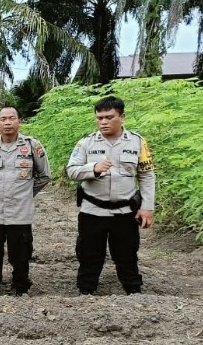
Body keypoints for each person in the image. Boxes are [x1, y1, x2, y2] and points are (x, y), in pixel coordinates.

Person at [66, 96, 155, 295]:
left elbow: (147, 175)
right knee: (89, 254)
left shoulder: (138, 142)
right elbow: (71, 170)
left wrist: (147, 207)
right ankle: (86, 291)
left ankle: (133, 290)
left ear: (122, 117)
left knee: (127, 254)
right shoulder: (86, 143)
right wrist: (93, 169)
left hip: (125, 212)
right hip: (92, 210)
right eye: (99, 118)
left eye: (109, 117)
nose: (103, 122)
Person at [0, 107, 51, 297]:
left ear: (19, 121)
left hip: (21, 213)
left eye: (12, 118)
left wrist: (25, 193)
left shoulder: (32, 146)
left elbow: (44, 176)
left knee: (21, 254)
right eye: (3, 119)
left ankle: (21, 287)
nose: (7, 122)